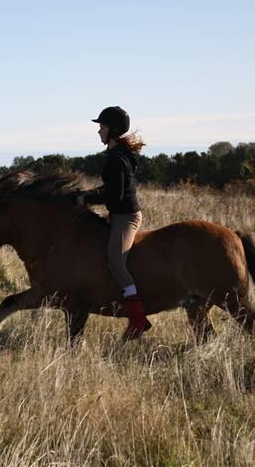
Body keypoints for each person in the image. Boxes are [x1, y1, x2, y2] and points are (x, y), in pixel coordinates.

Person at [74, 106, 151, 340]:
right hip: (117, 215)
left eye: (102, 127)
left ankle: (137, 320)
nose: (99, 131)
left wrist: (86, 197)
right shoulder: (116, 156)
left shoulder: (117, 160)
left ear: (113, 130)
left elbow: (114, 195)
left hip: (126, 217)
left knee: (116, 262)